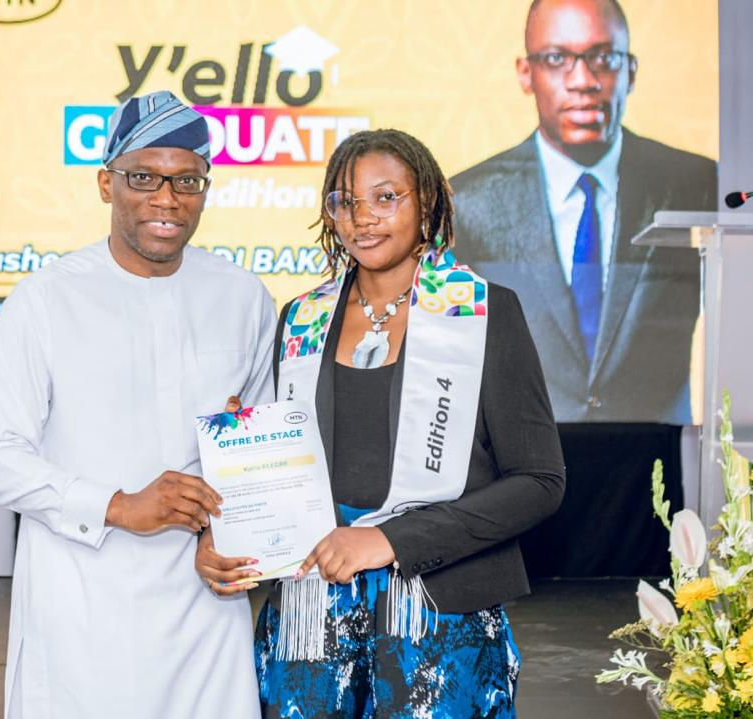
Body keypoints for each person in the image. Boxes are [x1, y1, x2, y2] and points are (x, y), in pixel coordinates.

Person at [197, 129, 566, 717]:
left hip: (440, 613)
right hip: (311, 613)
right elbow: (276, 460)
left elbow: (539, 482)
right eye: (345, 201)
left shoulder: (486, 312)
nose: (363, 217)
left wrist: (391, 540)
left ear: (428, 201)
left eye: (386, 197)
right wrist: (233, 522)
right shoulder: (300, 318)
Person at [0, 90, 275, 719]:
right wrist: (119, 505)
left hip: (203, 610)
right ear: (106, 184)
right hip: (81, 603)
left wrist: (228, 533)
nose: (167, 198)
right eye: (144, 177)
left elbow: (260, 448)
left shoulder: (243, 297)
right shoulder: (44, 300)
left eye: (186, 180)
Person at [450, 0, 716, 424]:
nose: (583, 81)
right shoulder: (467, 200)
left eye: (603, 58)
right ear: (525, 73)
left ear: (631, 72)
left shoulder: (697, 184)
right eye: (557, 59)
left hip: (659, 456)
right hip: (524, 455)